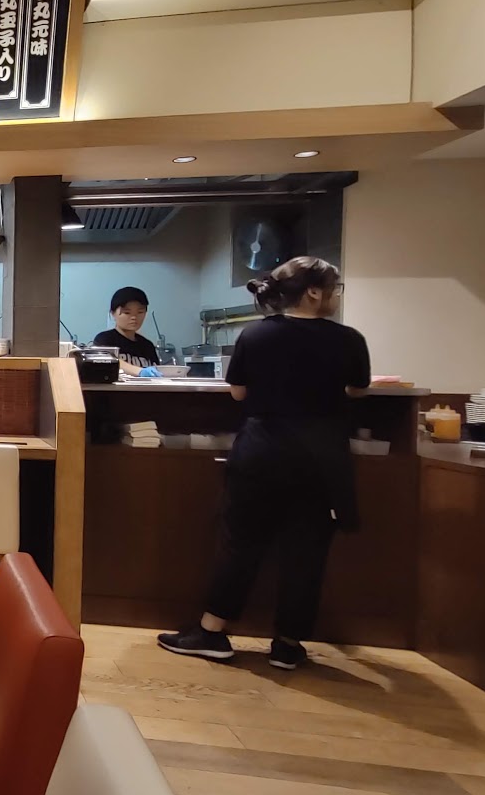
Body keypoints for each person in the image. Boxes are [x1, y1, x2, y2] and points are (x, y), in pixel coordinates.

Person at [158, 256, 369, 671]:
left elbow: (238, 392)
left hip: (264, 450)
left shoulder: (256, 335)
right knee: (307, 550)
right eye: (335, 288)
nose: (336, 296)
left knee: (241, 542)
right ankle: (288, 644)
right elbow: (357, 390)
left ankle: (212, 632)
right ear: (313, 292)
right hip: (321, 456)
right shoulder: (348, 339)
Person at [91, 286, 160, 369]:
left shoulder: (148, 346)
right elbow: (107, 362)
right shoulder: (104, 339)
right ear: (113, 313)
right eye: (127, 312)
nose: (134, 317)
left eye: (140, 312)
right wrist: (139, 371)